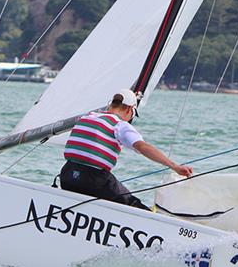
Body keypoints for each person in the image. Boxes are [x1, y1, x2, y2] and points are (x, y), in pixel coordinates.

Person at [59, 89, 193, 210]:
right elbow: (143, 147)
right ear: (130, 110)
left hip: (67, 176)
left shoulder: (87, 117)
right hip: (94, 181)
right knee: (135, 207)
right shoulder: (120, 125)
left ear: (110, 105)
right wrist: (174, 166)